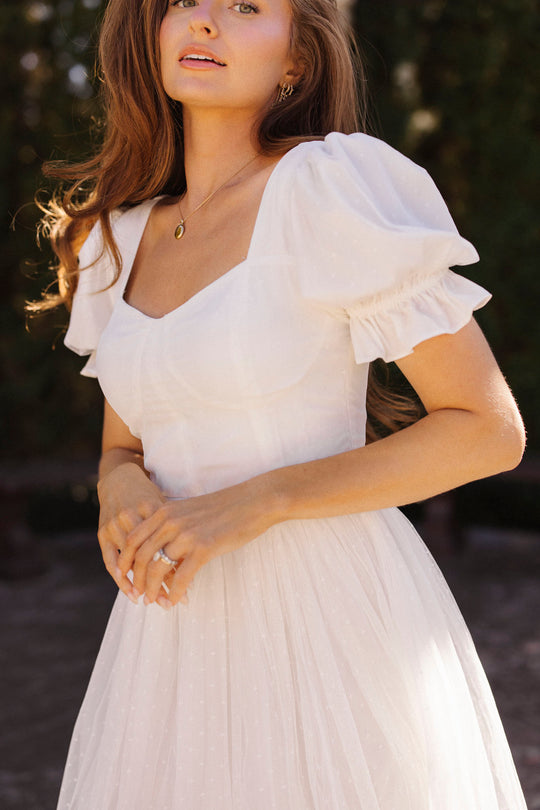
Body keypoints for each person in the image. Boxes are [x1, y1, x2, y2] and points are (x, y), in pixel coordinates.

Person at [35, 0, 528, 806]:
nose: (204, 22)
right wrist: (118, 486)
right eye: (187, 3)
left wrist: (260, 501)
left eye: (246, 6)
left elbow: (486, 430)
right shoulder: (117, 239)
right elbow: (126, 446)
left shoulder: (327, 188)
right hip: (171, 637)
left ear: (296, 60)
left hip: (328, 620)